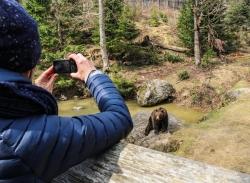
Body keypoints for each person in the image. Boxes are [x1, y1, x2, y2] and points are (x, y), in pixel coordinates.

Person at [0, 1, 133, 182]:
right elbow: (120, 118)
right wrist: (92, 75)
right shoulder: (27, 138)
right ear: (29, 65)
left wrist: (30, 100)